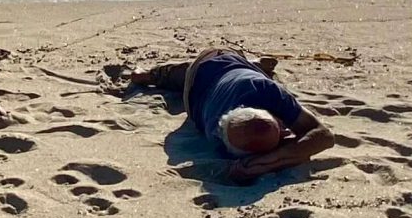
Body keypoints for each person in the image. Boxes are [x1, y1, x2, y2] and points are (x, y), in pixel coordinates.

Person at [115, 47, 335, 183]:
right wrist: (277, 158)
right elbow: (318, 137)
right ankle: (147, 73)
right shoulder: (217, 135)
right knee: (149, 77)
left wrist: (270, 160)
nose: (285, 130)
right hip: (199, 72)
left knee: (244, 70)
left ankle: (253, 63)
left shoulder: (263, 89)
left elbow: (325, 136)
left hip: (229, 65)